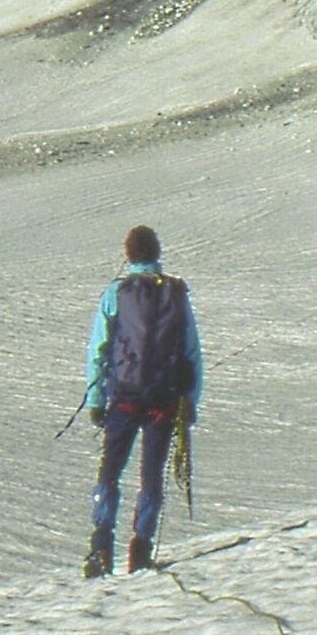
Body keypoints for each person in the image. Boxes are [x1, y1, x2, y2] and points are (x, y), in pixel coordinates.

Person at [81, 224, 203, 577]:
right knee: (151, 476)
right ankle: (141, 549)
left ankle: (101, 547)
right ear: (157, 252)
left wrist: (95, 399)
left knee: (109, 472)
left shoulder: (116, 292)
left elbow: (99, 349)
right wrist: (190, 400)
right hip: (164, 401)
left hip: (123, 397)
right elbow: (192, 351)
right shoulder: (176, 293)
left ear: (128, 254)